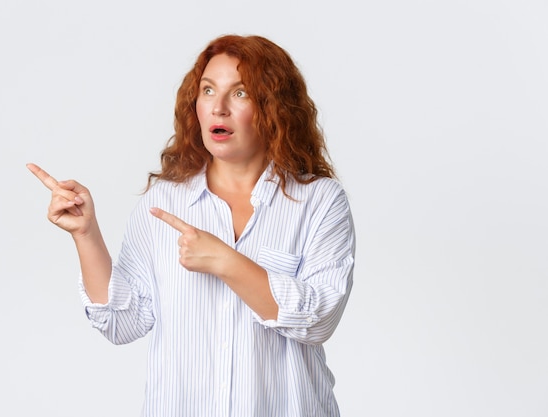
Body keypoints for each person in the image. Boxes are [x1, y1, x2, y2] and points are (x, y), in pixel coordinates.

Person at [28, 34, 355, 417]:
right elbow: (123, 322)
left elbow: (319, 320)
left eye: (240, 93)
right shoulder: (164, 202)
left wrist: (226, 262)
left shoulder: (319, 201)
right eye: (208, 90)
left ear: (274, 107)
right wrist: (86, 234)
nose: (218, 108)